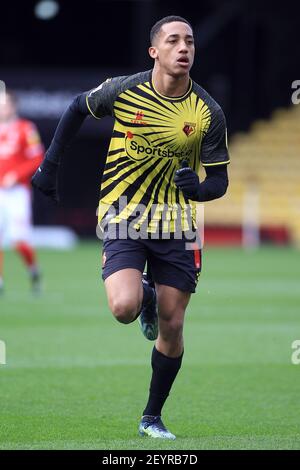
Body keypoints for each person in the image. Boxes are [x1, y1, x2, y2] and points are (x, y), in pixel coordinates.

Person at [32, 15, 230, 439]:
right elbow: (75, 108)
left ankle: (151, 417)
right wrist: (50, 165)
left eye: (190, 41)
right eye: (173, 40)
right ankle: (146, 296)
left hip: (179, 225)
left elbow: (220, 183)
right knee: (123, 308)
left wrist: (199, 188)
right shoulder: (125, 90)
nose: (184, 48)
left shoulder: (207, 112)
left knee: (172, 325)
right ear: (154, 51)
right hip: (125, 214)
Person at [0, 91, 44, 294]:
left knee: (19, 240)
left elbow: (37, 158)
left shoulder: (26, 128)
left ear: (13, 106)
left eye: (5, 104)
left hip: (17, 193)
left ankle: (33, 270)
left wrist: (16, 176)